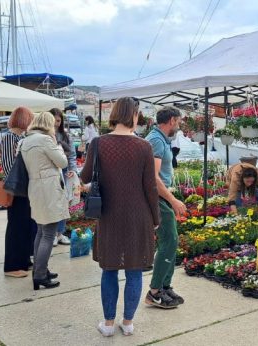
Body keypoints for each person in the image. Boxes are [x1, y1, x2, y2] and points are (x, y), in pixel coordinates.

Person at [80, 96, 160, 337]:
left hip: (108, 215)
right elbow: (150, 187)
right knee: (134, 270)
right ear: (133, 115)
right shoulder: (144, 146)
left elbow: (84, 177)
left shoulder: (98, 143)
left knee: (110, 269)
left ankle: (107, 324)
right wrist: (156, 218)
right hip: (139, 216)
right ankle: (128, 322)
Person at [145, 105, 187, 309]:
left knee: (171, 241)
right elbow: (153, 178)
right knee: (169, 241)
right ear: (171, 120)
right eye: (178, 122)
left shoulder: (160, 139)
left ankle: (164, 286)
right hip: (158, 198)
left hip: (160, 197)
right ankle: (155, 291)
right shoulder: (156, 140)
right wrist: (173, 200)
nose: (178, 126)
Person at [21, 111, 68, 290]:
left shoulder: (25, 140)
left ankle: (40, 270)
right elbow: (62, 162)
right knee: (48, 233)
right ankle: (40, 275)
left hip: (35, 188)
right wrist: (57, 145)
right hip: (49, 189)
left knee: (41, 231)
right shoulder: (46, 140)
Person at [1, 107, 38, 278]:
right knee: (16, 226)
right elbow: (9, 166)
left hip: (23, 188)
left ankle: (23, 260)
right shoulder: (10, 138)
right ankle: (12, 265)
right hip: (16, 189)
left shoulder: (19, 137)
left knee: (25, 226)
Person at [48, 108, 76, 246]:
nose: (56, 123)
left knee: (64, 202)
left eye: (58, 121)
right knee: (52, 202)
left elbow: (71, 155)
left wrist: (73, 170)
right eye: (53, 120)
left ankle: (60, 233)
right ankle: (52, 233)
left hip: (64, 171)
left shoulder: (66, 136)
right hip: (50, 172)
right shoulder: (44, 135)